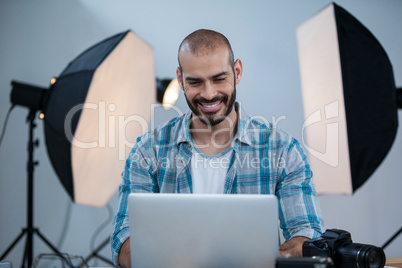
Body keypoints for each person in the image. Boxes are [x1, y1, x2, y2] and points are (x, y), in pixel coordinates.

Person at [111, 29, 324, 267]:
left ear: (237, 72)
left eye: (219, 79)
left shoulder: (283, 150)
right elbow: (122, 240)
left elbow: (309, 235)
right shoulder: (147, 151)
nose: (209, 93)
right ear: (180, 79)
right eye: (195, 82)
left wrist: (259, 260)